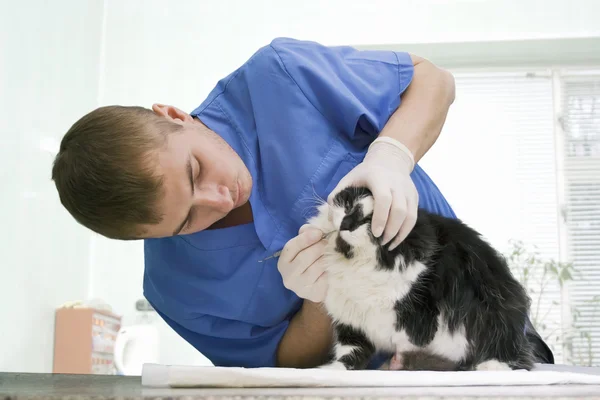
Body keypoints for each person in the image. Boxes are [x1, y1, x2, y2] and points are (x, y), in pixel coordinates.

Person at [51, 37, 553, 369]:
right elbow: (285, 364)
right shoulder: (175, 289)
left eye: (196, 170)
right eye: (188, 221)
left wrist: (390, 156)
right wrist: (319, 300)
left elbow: (434, 81)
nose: (219, 200)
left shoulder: (278, 78)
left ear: (174, 115)